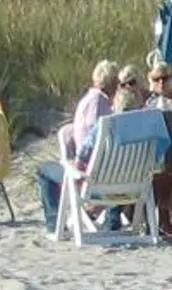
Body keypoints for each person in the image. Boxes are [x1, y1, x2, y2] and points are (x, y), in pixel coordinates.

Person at [40, 59, 120, 227]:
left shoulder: (91, 102)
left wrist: (77, 163)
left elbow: (90, 143)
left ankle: (54, 223)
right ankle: (109, 219)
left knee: (43, 170)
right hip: (112, 177)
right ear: (113, 83)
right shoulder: (103, 105)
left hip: (89, 177)